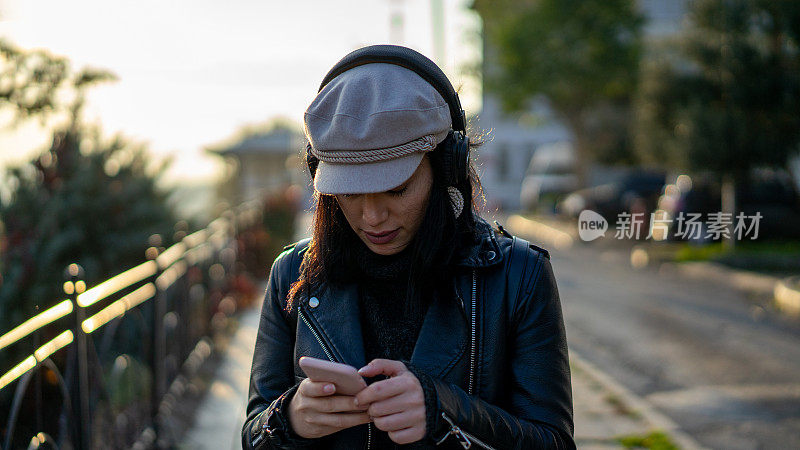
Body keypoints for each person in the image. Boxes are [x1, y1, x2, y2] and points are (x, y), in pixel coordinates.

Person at [242, 45, 574, 449]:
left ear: (445, 167)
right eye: (348, 193)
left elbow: (553, 442)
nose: (372, 217)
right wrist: (289, 418)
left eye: (396, 190)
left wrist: (443, 410)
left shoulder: (519, 275)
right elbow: (252, 434)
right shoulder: (292, 273)